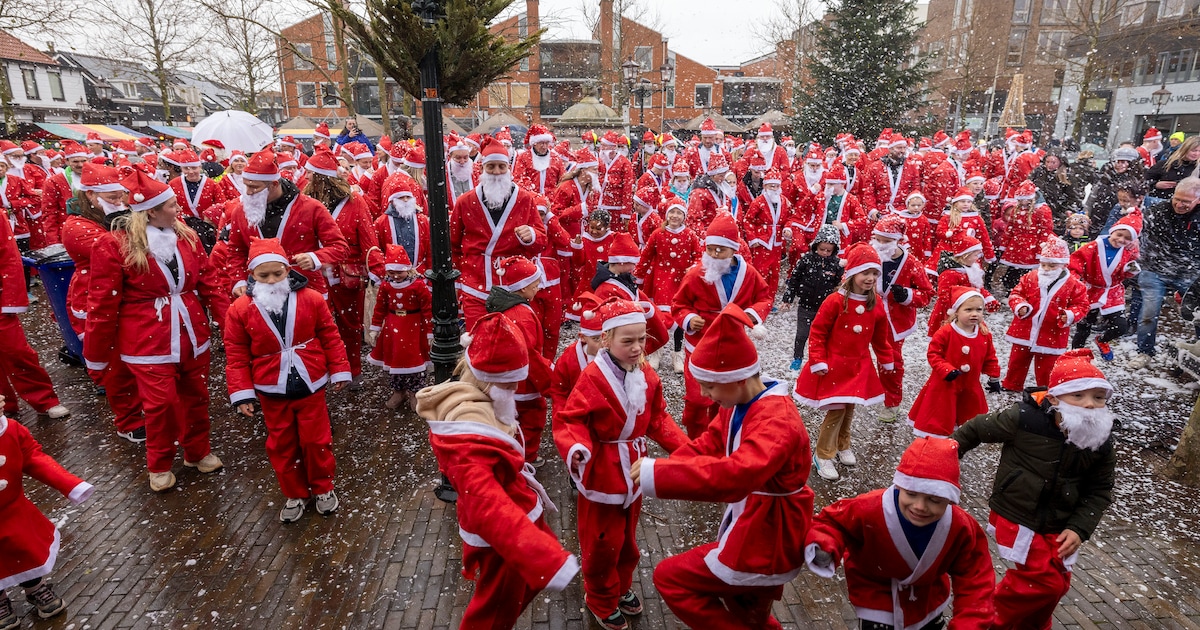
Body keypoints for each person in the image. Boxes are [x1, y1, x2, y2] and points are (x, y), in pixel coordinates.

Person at [633, 304, 814, 630]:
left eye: (710, 385)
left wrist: (657, 475)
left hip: (768, 535)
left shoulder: (778, 421)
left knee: (672, 578)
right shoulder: (741, 403)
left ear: (738, 378)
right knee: (745, 606)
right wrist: (664, 466)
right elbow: (708, 444)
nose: (703, 393)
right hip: (754, 525)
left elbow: (736, 475)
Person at [416, 313, 579, 629]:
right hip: (501, 537)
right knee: (493, 614)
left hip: (514, 521)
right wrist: (540, 555)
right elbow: (486, 502)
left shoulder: (482, 398)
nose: (516, 388)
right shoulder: (469, 430)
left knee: (513, 596)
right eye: (510, 381)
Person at [85, 169, 229, 492]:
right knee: (160, 404)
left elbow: (209, 283)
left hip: (192, 334)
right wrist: (96, 357)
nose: (179, 210)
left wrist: (230, 325)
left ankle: (197, 451)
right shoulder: (114, 245)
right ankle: (160, 463)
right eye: (172, 205)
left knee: (196, 395)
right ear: (151, 211)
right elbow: (101, 305)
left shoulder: (187, 237)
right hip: (147, 341)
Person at [953, 349, 1117, 630]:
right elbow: (976, 429)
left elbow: (1100, 490)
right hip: (1017, 513)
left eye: (1098, 397)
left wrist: (1079, 528)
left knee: (1058, 583)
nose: (1090, 405)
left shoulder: (1100, 440)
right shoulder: (1024, 418)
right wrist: (940, 461)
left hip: (1059, 522)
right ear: (1054, 398)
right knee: (1044, 582)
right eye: (1078, 395)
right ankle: (982, 621)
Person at [553, 297, 688, 630]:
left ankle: (621, 585)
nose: (637, 347)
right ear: (606, 339)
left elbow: (656, 419)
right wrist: (578, 449)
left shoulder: (645, 375)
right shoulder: (592, 378)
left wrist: (689, 450)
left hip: (634, 470)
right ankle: (599, 595)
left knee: (627, 539)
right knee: (601, 542)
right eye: (627, 340)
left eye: (641, 339)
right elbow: (571, 419)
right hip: (602, 472)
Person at [805, 437, 996, 630]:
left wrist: (971, 622)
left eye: (934, 500)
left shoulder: (960, 526)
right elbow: (833, 522)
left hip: (928, 602)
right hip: (877, 600)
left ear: (950, 499)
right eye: (911, 494)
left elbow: (975, 575)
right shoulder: (870, 508)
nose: (920, 506)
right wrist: (825, 542)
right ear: (899, 486)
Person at [224, 238, 349, 522]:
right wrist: (242, 392)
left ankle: (323, 487)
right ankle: (294, 492)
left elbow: (329, 334)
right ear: (251, 275)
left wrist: (339, 367)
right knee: (281, 444)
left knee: (316, 440)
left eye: (277, 274)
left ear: (287, 270)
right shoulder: (241, 309)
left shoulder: (311, 299)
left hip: (310, 381)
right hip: (270, 388)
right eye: (263, 275)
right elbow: (236, 352)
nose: (271, 280)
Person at [793, 243, 895, 482]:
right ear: (852, 274)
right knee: (837, 409)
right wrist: (817, 360)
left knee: (849, 406)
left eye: (874, 273)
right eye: (865, 273)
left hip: (859, 365)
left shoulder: (876, 303)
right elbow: (817, 332)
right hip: (834, 365)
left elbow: (880, 338)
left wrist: (886, 358)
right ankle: (823, 454)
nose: (870, 278)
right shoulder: (835, 301)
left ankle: (842, 443)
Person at [672, 212, 772, 438]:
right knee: (697, 397)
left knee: (726, 395)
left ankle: (720, 436)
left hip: (731, 341)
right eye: (710, 248)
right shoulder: (696, 274)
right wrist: (688, 318)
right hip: (699, 342)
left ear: (734, 249)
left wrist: (750, 315)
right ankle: (695, 437)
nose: (715, 254)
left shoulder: (749, 274)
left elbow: (764, 297)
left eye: (721, 249)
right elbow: (679, 303)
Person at [61, 162, 143, 440]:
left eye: (121, 196)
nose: (119, 202)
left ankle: (139, 410)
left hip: (121, 296)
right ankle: (128, 421)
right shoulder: (76, 227)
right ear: (91, 196)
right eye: (112, 198)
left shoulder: (111, 217)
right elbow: (122, 250)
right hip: (94, 300)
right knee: (114, 364)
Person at [0, 399, 94, 625]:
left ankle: (35, 587)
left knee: (27, 549)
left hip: (13, 511)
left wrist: (69, 484)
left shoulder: (11, 430)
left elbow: (33, 458)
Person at [450, 137, 547, 329]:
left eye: (501, 167)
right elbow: (453, 244)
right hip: (476, 282)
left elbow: (542, 241)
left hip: (514, 285)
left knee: (512, 339)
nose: (496, 172)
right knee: (477, 336)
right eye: (491, 167)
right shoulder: (465, 202)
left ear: (509, 168)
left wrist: (532, 235)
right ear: (481, 169)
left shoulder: (524, 199)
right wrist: (458, 280)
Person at [225, 149, 349, 299]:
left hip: (306, 290)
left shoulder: (311, 207)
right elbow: (236, 250)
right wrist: (238, 280)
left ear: (274, 184)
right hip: (260, 291)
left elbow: (339, 247)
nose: (249, 193)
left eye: (255, 187)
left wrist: (315, 258)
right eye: (246, 186)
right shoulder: (241, 210)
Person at [302, 152, 379, 387]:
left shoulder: (355, 203)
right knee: (316, 325)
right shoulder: (304, 202)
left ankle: (352, 369)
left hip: (347, 276)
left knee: (350, 324)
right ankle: (322, 369)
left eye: (309, 174)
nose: (304, 177)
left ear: (319, 178)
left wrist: (376, 270)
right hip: (314, 276)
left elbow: (368, 239)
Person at [485, 256, 553, 466]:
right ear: (522, 289)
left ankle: (508, 452)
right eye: (534, 285)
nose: (538, 288)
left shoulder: (505, 308)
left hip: (505, 380)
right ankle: (526, 457)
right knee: (531, 419)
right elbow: (529, 355)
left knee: (507, 418)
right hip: (523, 383)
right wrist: (550, 381)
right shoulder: (522, 315)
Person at [908, 288, 1000, 438]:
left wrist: (994, 377)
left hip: (970, 386)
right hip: (945, 386)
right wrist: (946, 369)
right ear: (956, 311)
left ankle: (958, 443)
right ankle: (936, 443)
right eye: (968, 309)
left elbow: (990, 356)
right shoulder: (946, 332)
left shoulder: (984, 334)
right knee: (940, 418)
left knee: (967, 420)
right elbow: (934, 354)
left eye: (979, 309)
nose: (974, 314)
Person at [1001, 237, 1090, 391]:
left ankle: (1045, 389)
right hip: (1025, 327)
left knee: (1047, 365)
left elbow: (1082, 305)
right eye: (1044, 264)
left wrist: (1069, 315)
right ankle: (1012, 384)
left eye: (1052, 265)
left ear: (1063, 264)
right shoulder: (1030, 277)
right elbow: (1016, 293)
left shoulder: (1075, 284)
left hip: (1052, 332)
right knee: (1017, 360)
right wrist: (1020, 305)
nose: (1047, 268)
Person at [1130, 176, 1200, 368]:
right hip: (1156, 267)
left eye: (1186, 201)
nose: (1179, 204)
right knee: (1149, 311)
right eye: (1177, 198)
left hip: (1189, 269)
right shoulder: (1157, 212)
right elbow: (1144, 243)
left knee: (1198, 309)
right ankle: (1145, 352)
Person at [868, 216, 934, 420]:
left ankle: (892, 402)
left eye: (885, 241)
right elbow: (850, 277)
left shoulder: (911, 263)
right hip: (865, 315)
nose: (880, 245)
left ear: (897, 240)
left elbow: (926, 294)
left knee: (890, 362)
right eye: (877, 239)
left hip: (894, 322)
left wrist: (907, 295)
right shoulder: (869, 254)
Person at [634, 197, 699, 374]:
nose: (675, 216)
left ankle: (678, 353)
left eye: (679, 213)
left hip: (681, 281)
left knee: (679, 318)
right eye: (672, 212)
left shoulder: (690, 235)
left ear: (684, 216)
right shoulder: (658, 234)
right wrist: (638, 276)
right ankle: (656, 350)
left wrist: (692, 270)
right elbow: (646, 256)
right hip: (661, 279)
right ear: (666, 214)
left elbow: (698, 256)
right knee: (659, 317)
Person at [367, 246, 432, 410]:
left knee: (414, 360)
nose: (395, 276)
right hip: (393, 327)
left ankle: (415, 392)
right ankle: (398, 391)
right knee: (395, 359)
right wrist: (375, 328)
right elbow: (380, 307)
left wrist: (431, 331)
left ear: (407, 270)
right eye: (391, 273)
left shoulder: (418, 286)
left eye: (399, 272)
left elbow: (428, 308)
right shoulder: (385, 286)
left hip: (414, 327)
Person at [1069, 215, 1141, 361]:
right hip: (1091, 291)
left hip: (1113, 292)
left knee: (1121, 327)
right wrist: (1074, 281)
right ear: (1112, 230)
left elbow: (1124, 274)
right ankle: (1075, 357)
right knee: (1083, 328)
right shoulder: (1093, 247)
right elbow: (1074, 264)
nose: (1121, 240)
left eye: (1127, 238)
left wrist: (1130, 271)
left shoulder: (1128, 252)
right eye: (1119, 234)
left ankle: (1102, 340)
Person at [781, 224, 842, 372]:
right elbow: (794, 279)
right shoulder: (806, 260)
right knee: (802, 334)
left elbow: (839, 284)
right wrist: (788, 298)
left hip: (825, 307)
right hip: (806, 305)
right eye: (822, 249)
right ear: (816, 246)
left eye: (829, 250)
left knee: (825, 335)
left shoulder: (836, 264)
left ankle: (822, 358)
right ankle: (797, 357)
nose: (825, 253)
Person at [739, 168, 796, 292]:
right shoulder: (758, 202)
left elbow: (790, 217)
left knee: (774, 272)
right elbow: (748, 220)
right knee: (761, 270)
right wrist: (753, 238)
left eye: (777, 186)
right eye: (771, 186)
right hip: (762, 241)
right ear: (765, 186)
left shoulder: (784, 201)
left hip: (777, 242)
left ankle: (770, 298)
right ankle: (759, 296)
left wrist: (787, 228)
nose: (774, 189)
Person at [996, 181, 1056, 293]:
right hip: (1017, 246)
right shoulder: (1017, 209)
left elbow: (1045, 232)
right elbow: (1010, 228)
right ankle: (1012, 291)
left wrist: (1040, 250)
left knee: (1027, 273)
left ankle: (1024, 292)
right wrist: (1004, 245)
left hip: (1032, 248)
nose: (1022, 202)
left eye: (1024, 199)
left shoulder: (1042, 210)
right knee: (1012, 273)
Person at [38, 140, 90, 246]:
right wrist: (53, 242)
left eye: (83, 161)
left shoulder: (95, 178)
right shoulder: (54, 182)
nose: (80, 165)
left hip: (93, 232)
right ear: (66, 161)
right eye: (75, 161)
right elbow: (49, 214)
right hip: (67, 233)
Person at [1083, 146, 1143, 237]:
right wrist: (1086, 214)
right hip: (1097, 217)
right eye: (1117, 161)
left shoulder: (1136, 182)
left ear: (1132, 164)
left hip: (1118, 220)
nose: (1119, 165)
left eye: (1123, 162)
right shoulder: (1106, 177)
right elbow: (1092, 198)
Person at [167, 149, 227, 225]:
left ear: (200, 167)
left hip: (207, 227)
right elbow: (168, 205)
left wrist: (210, 217)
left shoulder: (212, 184)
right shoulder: (173, 184)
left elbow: (222, 205)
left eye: (194, 168)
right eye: (186, 168)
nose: (191, 172)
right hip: (181, 226)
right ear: (181, 169)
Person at [512, 124, 564, 197]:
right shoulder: (524, 158)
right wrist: (533, 194)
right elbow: (519, 179)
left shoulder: (556, 158)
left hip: (552, 201)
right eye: (541, 143)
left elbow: (563, 180)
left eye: (546, 143)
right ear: (534, 143)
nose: (544, 146)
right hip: (531, 200)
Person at [1146, 136, 1200, 201]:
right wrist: (1155, 184)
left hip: (1186, 204)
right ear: (1185, 149)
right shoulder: (1165, 164)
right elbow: (1145, 180)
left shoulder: (1197, 169)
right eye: (1194, 150)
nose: (1197, 154)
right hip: (1159, 201)